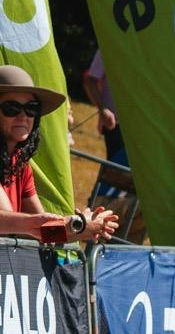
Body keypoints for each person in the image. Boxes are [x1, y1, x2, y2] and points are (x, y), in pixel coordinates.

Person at [0, 65, 119, 245]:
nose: (23, 116)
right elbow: (12, 228)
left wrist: (87, 226)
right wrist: (75, 225)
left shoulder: (21, 165)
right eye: (11, 108)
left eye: (31, 108)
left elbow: (43, 233)